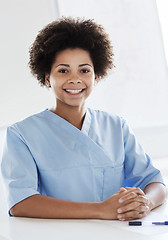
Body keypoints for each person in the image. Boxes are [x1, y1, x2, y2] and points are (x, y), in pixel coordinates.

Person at [1, 17, 167, 221]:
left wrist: (146, 203)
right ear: (47, 77)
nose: (74, 79)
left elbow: (154, 181)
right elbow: (21, 202)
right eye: (63, 71)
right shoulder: (22, 134)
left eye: (84, 70)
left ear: (96, 76)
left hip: (116, 233)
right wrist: (100, 210)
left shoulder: (116, 126)